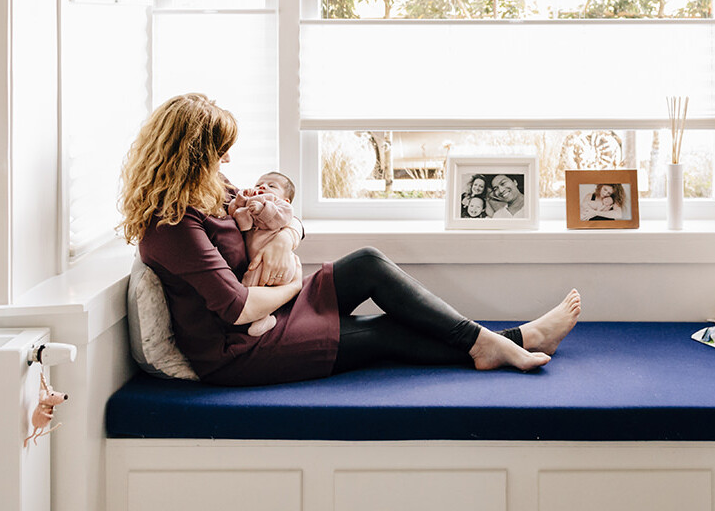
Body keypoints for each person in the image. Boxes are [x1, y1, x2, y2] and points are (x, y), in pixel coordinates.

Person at [119, 94, 582, 386]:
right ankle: (509, 341)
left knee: (367, 262)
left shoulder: (210, 188)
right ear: (189, 158)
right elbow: (238, 308)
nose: (227, 161)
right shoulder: (172, 227)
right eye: (218, 154)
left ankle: (491, 343)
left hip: (273, 310)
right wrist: (294, 285)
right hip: (241, 348)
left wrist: (286, 237)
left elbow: (281, 210)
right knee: (383, 333)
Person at [228, 171, 301, 336]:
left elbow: (279, 218)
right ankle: (263, 314)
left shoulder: (281, 207)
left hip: (278, 263)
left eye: (271, 186)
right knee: (252, 278)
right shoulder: (251, 204)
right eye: (259, 184)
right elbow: (235, 215)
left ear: (285, 199)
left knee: (251, 281)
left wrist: (262, 208)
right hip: (261, 260)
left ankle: (263, 317)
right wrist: (241, 200)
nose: (263, 186)